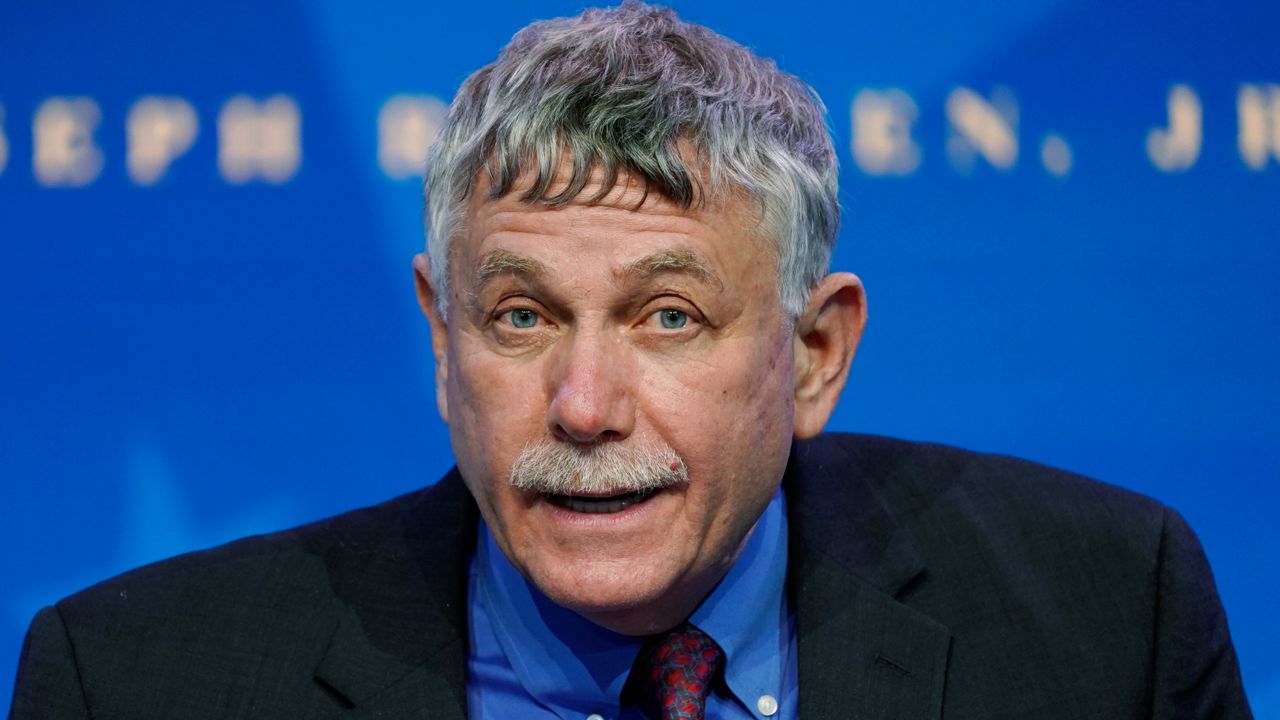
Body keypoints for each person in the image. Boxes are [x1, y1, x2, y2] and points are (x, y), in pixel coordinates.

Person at [9, 3, 1252, 718]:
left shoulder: (1100, 627)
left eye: (666, 317)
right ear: (442, 344)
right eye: (519, 318)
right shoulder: (134, 686)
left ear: (814, 353)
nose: (584, 407)